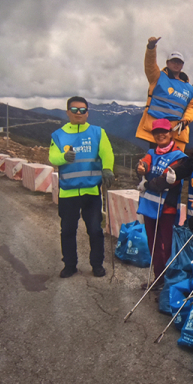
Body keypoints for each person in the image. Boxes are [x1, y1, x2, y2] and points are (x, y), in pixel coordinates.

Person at [49, 96, 115, 278]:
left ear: (87, 113)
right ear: (68, 112)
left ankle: (97, 265)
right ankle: (69, 265)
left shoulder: (98, 132)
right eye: (74, 109)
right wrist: (63, 157)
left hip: (91, 191)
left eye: (82, 110)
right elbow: (52, 157)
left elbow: (107, 152)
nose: (78, 113)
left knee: (95, 230)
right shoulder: (58, 135)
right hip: (67, 192)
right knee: (67, 231)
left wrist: (107, 168)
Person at [136, 118, 188, 290]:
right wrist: (141, 169)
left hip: (167, 209)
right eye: (156, 132)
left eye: (164, 131)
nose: (160, 135)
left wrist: (147, 183)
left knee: (167, 246)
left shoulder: (180, 157)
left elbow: (166, 180)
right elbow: (145, 164)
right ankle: (158, 278)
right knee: (153, 244)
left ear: (171, 133)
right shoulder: (151, 153)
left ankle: (169, 282)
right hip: (149, 207)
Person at [135, 36, 193, 150]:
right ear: (167, 63)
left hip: (175, 131)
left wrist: (186, 120)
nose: (176, 64)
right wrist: (151, 48)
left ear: (182, 65)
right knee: (155, 157)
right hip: (156, 129)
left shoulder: (188, 87)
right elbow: (149, 65)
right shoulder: (157, 77)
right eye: (173, 61)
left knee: (174, 160)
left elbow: (192, 107)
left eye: (179, 62)